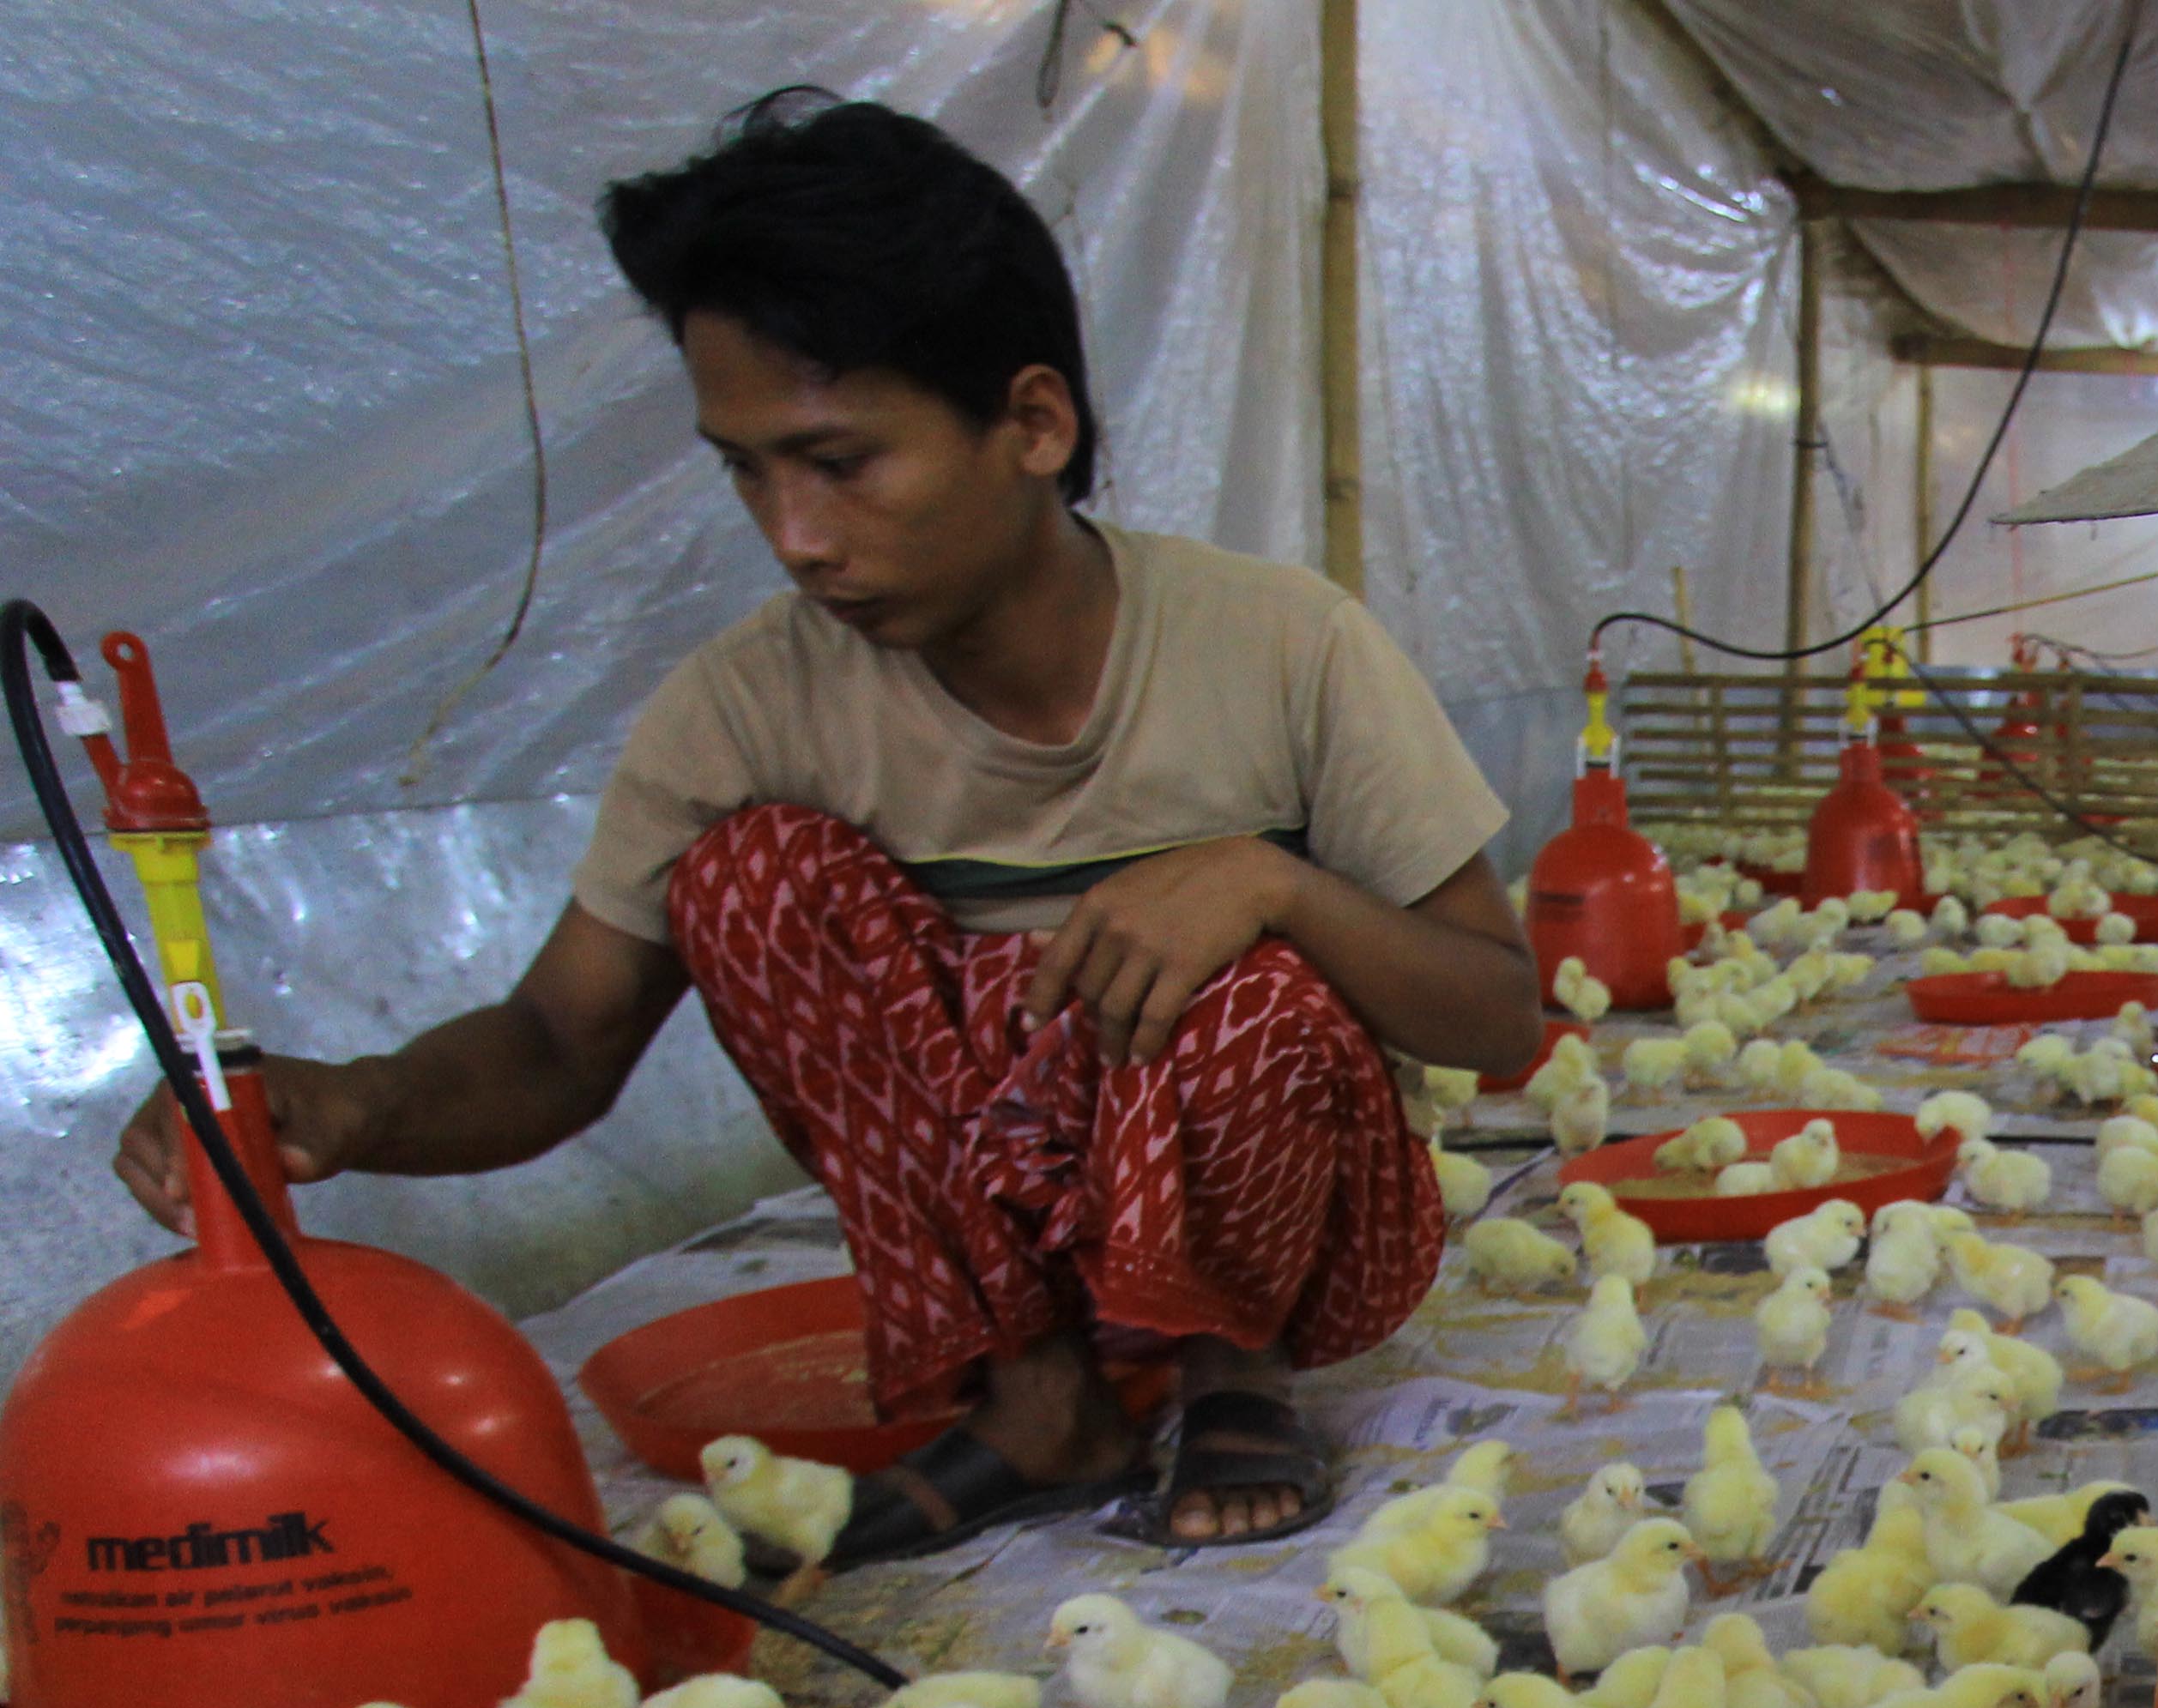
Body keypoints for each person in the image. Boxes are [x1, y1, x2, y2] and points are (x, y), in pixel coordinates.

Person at [115, 92, 1538, 1556]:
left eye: (841, 463)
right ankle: (1038, 1394)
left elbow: (1497, 1016)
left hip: (1277, 1207)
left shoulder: (1279, 644)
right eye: (746, 470)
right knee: (747, 878)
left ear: (1033, 422)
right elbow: (558, 1044)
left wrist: (1268, 886)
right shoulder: (743, 708)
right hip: (998, 1210)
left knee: (1248, 973)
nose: (793, 534)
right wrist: (352, 1103)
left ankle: (1232, 1363)